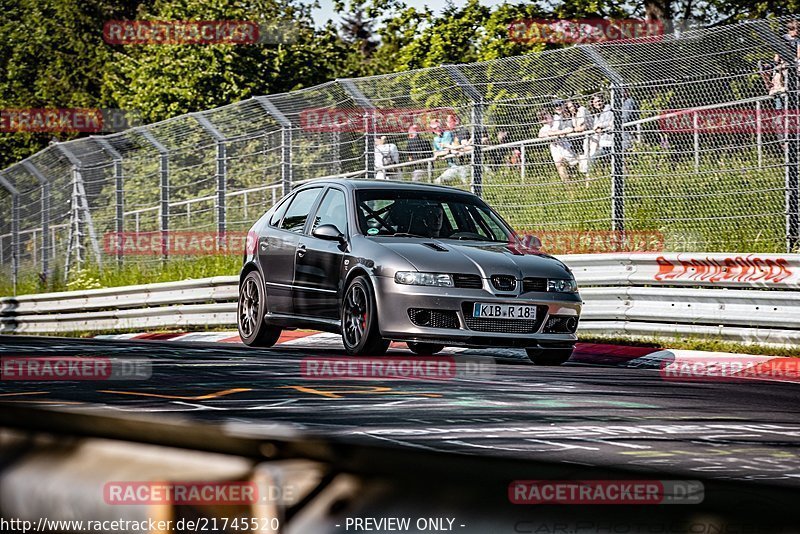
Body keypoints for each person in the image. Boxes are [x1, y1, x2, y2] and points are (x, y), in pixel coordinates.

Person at [538, 110, 578, 182]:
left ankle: (578, 177)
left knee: (574, 163)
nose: (544, 118)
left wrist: (552, 133)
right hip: (555, 148)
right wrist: (558, 133)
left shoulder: (558, 119)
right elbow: (541, 134)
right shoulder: (544, 127)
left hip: (565, 145)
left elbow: (568, 129)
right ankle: (567, 184)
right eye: (541, 118)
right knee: (559, 164)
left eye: (545, 115)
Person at [565, 99, 591, 174]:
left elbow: (583, 127)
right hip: (582, 137)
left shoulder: (581, 110)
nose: (572, 108)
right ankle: (584, 174)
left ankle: (587, 174)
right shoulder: (573, 115)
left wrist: (572, 130)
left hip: (591, 135)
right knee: (581, 155)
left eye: (572, 106)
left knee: (587, 155)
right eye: (569, 107)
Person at [587, 93, 613, 169]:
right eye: (595, 102)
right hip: (603, 144)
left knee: (593, 158)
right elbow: (595, 127)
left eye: (599, 101)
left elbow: (612, 122)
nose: (598, 103)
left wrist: (600, 126)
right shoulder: (597, 114)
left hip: (612, 142)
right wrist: (598, 128)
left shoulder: (609, 109)